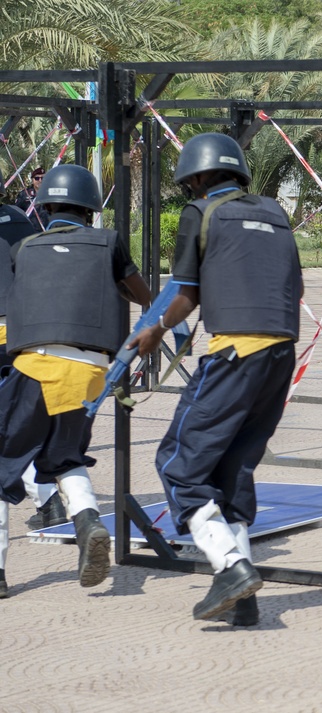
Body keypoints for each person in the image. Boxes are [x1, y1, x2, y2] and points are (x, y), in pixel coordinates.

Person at [130, 132, 302, 626]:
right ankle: (243, 602)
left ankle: (229, 568)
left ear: (200, 178)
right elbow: (297, 284)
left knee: (179, 463)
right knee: (232, 471)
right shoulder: (275, 214)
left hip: (233, 352)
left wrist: (153, 331)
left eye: (191, 184)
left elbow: (184, 293)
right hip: (280, 354)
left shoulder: (201, 213)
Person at [0, 164, 151, 598]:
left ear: (44, 208)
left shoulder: (25, 248)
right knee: (64, 456)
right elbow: (142, 295)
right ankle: (88, 523)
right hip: (90, 373)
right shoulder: (109, 244)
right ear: (91, 210)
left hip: (36, 366)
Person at [0, 178, 69, 531]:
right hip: (21, 328)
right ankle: (48, 500)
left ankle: (48, 499)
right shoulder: (17, 216)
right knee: (19, 424)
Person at [15, 167, 50, 233]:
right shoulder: (24, 194)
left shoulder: (51, 193)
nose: (40, 180)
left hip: (49, 231)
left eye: (43, 178)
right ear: (32, 180)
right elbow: (17, 212)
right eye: (37, 178)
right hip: (31, 232)